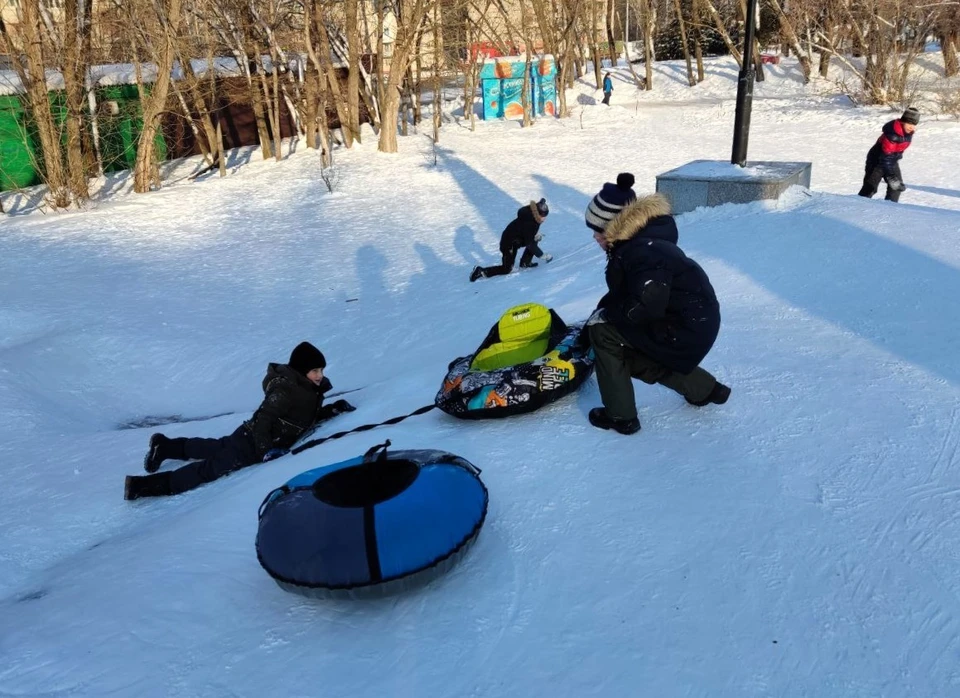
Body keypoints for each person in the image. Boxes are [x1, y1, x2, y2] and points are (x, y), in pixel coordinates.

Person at [124, 342, 355, 500]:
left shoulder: (306, 390)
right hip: (252, 442)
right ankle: (141, 487)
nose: (320, 375)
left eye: (322, 370)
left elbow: (301, 419)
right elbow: (265, 417)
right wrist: (265, 451)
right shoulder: (286, 390)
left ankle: (165, 446)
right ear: (301, 369)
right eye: (315, 370)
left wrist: (331, 410)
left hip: (249, 436)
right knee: (208, 470)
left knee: (214, 447)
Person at [585, 191, 729, 435]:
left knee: (604, 335)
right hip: (690, 321)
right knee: (627, 354)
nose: (595, 237)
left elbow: (646, 303)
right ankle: (704, 389)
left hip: (684, 326)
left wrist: (606, 318)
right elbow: (627, 293)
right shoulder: (641, 241)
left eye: (599, 229)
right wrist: (602, 310)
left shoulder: (642, 251)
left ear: (616, 225)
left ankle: (621, 417)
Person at [470, 198, 553, 282]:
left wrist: (535, 235)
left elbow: (530, 235)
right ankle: (480, 271)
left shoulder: (534, 215)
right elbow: (529, 243)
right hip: (508, 243)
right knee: (507, 269)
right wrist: (542, 255)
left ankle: (525, 262)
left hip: (517, 239)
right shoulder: (530, 222)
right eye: (543, 217)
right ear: (537, 214)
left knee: (535, 238)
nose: (544, 219)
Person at [858, 107, 919, 203]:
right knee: (870, 188)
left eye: (914, 124)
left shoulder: (907, 132)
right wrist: (891, 176)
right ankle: (857, 207)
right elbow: (885, 157)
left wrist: (897, 157)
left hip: (891, 160)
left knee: (896, 187)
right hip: (876, 161)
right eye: (910, 123)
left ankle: (890, 209)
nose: (912, 127)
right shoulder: (893, 134)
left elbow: (897, 150)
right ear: (903, 121)